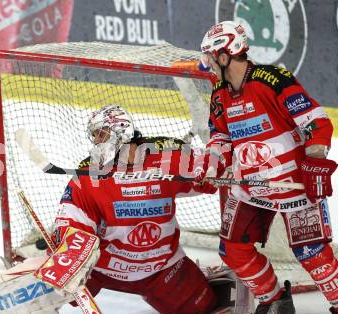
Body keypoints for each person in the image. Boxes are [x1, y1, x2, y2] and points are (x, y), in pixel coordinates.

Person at [196, 20, 338, 313]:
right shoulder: (220, 94)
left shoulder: (273, 80)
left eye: (210, 57)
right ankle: (275, 302)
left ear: (224, 56)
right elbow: (220, 136)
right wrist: (213, 165)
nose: (207, 63)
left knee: (311, 253)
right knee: (233, 250)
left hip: (294, 185)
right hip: (250, 187)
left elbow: (316, 123)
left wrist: (314, 162)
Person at [36, 105, 221, 314]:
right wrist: (66, 250)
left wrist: (213, 170)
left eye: (100, 134)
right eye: (94, 136)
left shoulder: (167, 157)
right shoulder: (89, 174)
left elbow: (215, 170)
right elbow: (73, 219)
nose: (97, 141)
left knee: (205, 308)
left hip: (162, 267)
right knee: (49, 290)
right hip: (101, 268)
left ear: (120, 131)